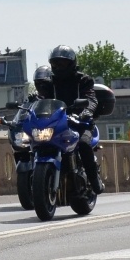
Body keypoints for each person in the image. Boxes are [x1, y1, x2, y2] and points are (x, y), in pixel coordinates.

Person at [47, 45, 103, 194]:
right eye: (56, 63)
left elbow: (91, 99)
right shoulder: (49, 82)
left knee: (84, 144)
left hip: (79, 123)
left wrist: (87, 111)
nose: (59, 67)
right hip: (57, 123)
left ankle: (94, 180)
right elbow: (42, 99)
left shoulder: (82, 80)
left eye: (62, 63)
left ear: (71, 63)